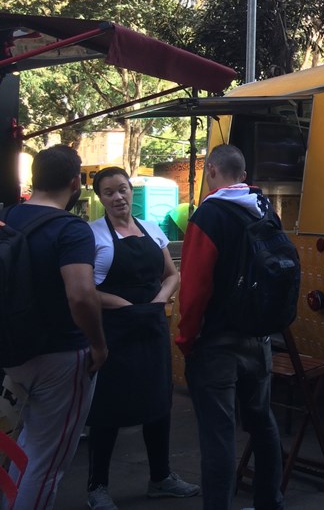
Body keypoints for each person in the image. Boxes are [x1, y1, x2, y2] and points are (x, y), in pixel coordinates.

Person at [176, 144, 285, 510]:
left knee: (219, 436)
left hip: (217, 345)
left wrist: (186, 340)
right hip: (260, 339)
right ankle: (271, 501)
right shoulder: (267, 211)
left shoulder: (208, 216)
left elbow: (193, 290)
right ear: (243, 175)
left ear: (211, 172)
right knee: (263, 423)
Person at [1, 145, 108, 509]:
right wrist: (98, 344)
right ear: (75, 182)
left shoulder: (8, 217)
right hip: (62, 357)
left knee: (16, 446)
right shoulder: (72, 229)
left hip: (10, 349)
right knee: (47, 461)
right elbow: (80, 295)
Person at [85, 167, 199, 510]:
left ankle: (161, 477)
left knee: (157, 404)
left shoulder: (151, 230)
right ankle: (97, 487)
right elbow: (85, 289)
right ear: (99, 198)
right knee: (107, 410)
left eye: (122, 189)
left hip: (150, 328)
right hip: (114, 332)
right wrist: (122, 304)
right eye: (109, 192)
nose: (118, 197)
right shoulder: (92, 236)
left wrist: (159, 300)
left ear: (130, 191)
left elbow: (171, 274)